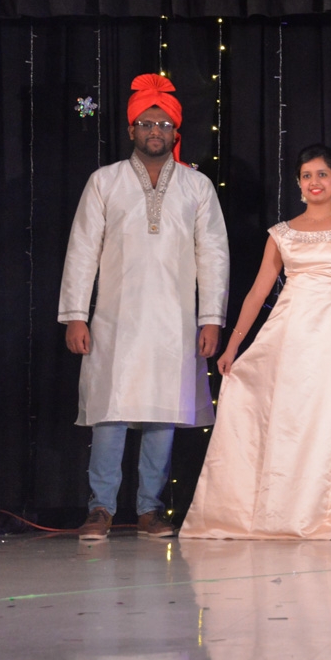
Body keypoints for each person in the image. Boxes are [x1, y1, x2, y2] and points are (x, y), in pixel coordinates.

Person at [180, 144, 331, 539]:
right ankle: (283, 509)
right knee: (289, 420)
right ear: (298, 183)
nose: (314, 182)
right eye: (307, 176)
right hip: (288, 335)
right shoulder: (283, 233)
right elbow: (257, 293)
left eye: (322, 174)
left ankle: (328, 508)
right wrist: (233, 346)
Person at [59, 74, 230, 541]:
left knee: (163, 412)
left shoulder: (197, 186)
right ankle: (100, 508)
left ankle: (150, 509)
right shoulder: (105, 181)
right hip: (115, 318)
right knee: (110, 411)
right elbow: (82, 250)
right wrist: (76, 314)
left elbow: (213, 255)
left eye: (164, 124)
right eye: (147, 123)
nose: (155, 131)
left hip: (175, 321)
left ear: (176, 132)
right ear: (131, 129)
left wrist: (211, 319)